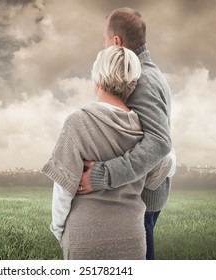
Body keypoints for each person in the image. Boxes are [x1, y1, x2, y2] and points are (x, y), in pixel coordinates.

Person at [42, 46, 172, 259]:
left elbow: (63, 189)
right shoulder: (145, 131)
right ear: (132, 82)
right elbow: (156, 176)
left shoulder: (77, 122)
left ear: (97, 78)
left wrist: (58, 230)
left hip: (84, 237)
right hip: (132, 239)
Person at [77, 7, 175, 260]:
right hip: (138, 193)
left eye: (105, 38)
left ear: (116, 42)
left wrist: (102, 176)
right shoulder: (144, 73)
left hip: (141, 199)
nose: (103, 44)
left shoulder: (142, 79)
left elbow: (160, 142)